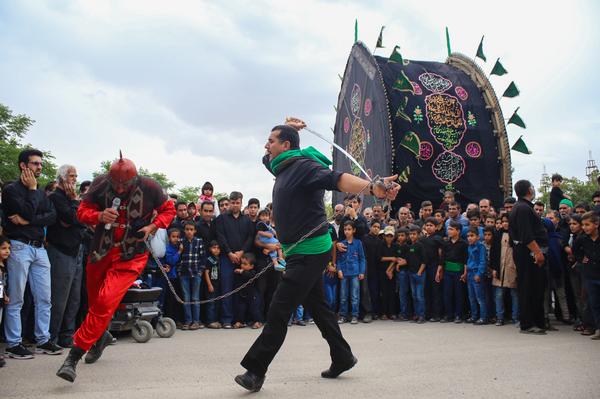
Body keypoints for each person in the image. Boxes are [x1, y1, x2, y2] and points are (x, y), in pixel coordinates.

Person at [235, 119, 399, 392]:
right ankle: (342, 356)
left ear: (285, 146)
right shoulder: (281, 166)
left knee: (279, 309)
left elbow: (338, 179)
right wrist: (290, 127)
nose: (266, 145)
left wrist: (372, 187)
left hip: (310, 252)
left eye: (271, 140)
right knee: (320, 309)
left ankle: (255, 370)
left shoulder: (304, 167)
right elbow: (266, 158)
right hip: (300, 252)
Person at [56, 154, 175, 382]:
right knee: (94, 303)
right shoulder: (100, 184)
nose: (120, 189)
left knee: (104, 302)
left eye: (125, 184)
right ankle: (100, 337)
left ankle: (73, 357)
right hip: (100, 251)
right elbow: (81, 212)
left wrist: (153, 225)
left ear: (135, 179)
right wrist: (99, 215)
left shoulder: (150, 186)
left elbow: (168, 210)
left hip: (131, 256)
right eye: (116, 184)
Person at [2, 149, 60, 360]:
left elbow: (52, 216)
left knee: (44, 298)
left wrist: (30, 219)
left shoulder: (40, 193)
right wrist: (33, 191)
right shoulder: (11, 190)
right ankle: (13, 343)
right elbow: (25, 213)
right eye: (35, 164)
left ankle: (43, 339)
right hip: (19, 246)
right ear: (23, 165)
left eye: (40, 164)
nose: (39, 167)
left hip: (39, 248)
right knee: (16, 298)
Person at [47, 164, 85, 348]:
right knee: (59, 297)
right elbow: (73, 218)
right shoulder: (55, 197)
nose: (74, 180)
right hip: (60, 250)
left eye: (76, 176)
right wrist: (74, 204)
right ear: (62, 178)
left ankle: (67, 335)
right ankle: (51, 336)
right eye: (71, 176)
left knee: (74, 297)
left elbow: (81, 219)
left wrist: (74, 210)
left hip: (76, 248)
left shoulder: (72, 198)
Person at [509, 180, 548, 335]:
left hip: (526, 252)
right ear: (528, 190)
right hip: (528, 253)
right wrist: (537, 252)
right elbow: (526, 235)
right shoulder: (523, 208)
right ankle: (528, 323)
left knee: (535, 287)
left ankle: (537, 321)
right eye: (532, 187)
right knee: (529, 287)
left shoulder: (522, 207)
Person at [215, 191, 255, 329]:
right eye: (232, 203)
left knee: (243, 290)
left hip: (243, 260)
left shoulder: (247, 220)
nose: (235, 205)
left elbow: (250, 237)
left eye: (237, 203)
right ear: (229, 203)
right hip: (227, 258)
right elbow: (221, 237)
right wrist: (230, 253)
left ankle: (241, 319)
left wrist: (242, 252)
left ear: (241, 203)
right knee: (226, 289)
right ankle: (227, 319)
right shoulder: (221, 219)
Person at [572, 212, 600, 339]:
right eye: (583, 225)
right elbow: (575, 250)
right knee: (594, 303)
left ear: (596, 224)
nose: (584, 227)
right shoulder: (582, 239)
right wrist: (581, 258)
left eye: (587, 225)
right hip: (590, 275)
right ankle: (598, 329)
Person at [489, 218, 519, 326]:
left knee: (514, 294)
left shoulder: (517, 235)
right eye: (503, 222)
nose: (505, 224)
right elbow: (493, 253)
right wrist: (493, 268)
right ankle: (499, 317)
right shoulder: (497, 235)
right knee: (499, 294)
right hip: (499, 268)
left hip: (512, 268)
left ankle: (515, 317)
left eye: (507, 221)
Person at [178, 221, 206, 330]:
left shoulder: (199, 241)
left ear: (195, 231)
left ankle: (196, 321)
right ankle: (188, 321)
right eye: (187, 229)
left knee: (195, 298)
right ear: (184, 231)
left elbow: (203, 258)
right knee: (186, 298)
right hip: (184, 274)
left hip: (196, 273)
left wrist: (200, 271)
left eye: (191, 229)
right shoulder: (181, 242)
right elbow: (178, 258)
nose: (189, 232)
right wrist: (179, 271)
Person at [336, 221, 366, 324]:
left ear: (354, 230)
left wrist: (362, 271)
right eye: (345, 229)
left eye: (349, 229)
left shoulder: (358, 243)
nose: (347, 231)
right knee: (343, 296)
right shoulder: (341, 244)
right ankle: (343, 315)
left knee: (355, 296)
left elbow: (362, 259)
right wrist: (339, 270)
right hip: (344, 273)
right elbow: (339, 259)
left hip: (355, 273)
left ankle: (354, 315)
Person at [441, 221, 468, 323]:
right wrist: (440, 271)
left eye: (451, 229)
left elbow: (466, 259)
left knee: (459, 294)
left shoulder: (463, 244)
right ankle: (448, 314)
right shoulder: (446, 243)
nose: (449, 231)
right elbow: (442, 258)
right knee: (447, 293)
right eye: (448, 229)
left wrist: (465, 272)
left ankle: (458, 315)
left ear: (458, 231)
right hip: (447, 271)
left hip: (459, 271)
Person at [421, 217, 443, 321]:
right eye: (427, 225)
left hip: (435, 267)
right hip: (426, 267)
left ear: (436, 227)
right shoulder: (423, 239)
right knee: (426, 291)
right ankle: (427, 313)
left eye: (431, 225)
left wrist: (439, 269)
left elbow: (441, 255)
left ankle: (437, 314)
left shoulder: (438, 239)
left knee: (436, 291)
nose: (429, 227)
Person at [233, 252, 263, 329]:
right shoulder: (239, 272)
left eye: (245, 264)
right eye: (242, 263)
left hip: (252, 295)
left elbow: (250, 276)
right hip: (242, 295)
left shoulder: (252, 272)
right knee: (241, 309)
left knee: (254, 309)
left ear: (251, 266)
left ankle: (258, 321)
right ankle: (241, 322)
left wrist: (241, 271)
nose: (242, 265)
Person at [466, 227, 488, 325]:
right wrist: (465, 273)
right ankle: (474, 316)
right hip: (470, 273)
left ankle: (483, 317)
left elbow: (483, 262)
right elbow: (468, 260)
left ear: (478, 237)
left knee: (480, 297)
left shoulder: (481, 247)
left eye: (472, 236)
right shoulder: (469, 246)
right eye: (468, 236)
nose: (469, 238)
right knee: (471, 297)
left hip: (476, 273)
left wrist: (479, 274)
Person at [407, 225, 426, 323]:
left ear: (419, 235)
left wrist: (419, 272)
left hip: (419, 274)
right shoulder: (411, 246)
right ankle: (416, 314)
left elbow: (424, 261)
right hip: (411, 273)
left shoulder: (420, 245)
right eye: (410, 234)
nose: (412, 236)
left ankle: (422, 316)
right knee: (414, 295)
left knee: (419, 296)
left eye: (414, 234)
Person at [204, 241, 222, 329]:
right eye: (214, 248)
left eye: (218, 248)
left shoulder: (219, 259)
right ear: (210, 249)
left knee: (217, 303)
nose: (216, 250)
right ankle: (210, 321)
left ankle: (215, 320)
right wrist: (209, 284)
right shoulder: (209, 259)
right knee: (210, 303)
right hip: (211, 284)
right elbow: (206, 272)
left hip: (218, 283)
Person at [394, 227, 410, 321]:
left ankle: (404, 314)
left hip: (404, 272)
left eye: (402, 235)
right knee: (399, 293)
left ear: (406, 236)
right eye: (399, 235)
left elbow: (408, 260)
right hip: (398, 272)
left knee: (403, 293)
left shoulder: (407, 246)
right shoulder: (396, 246)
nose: (400, 237)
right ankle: (401, 312)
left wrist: (402, 262)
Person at [0, 236, 11, 367]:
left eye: (9, 248)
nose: (7, 251)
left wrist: (5, 295)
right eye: (3, 248)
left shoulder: (4, 265)